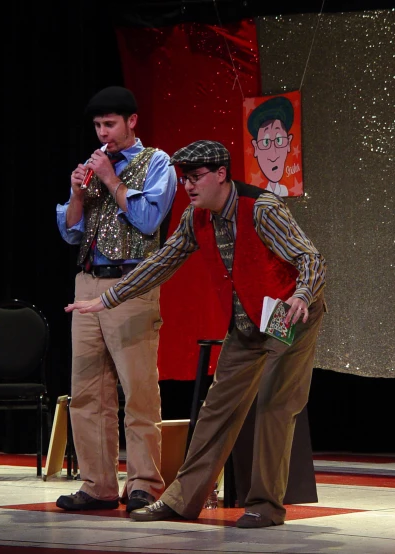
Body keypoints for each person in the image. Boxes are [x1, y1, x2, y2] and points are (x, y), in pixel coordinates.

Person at [65, 140, 326, 528]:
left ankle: (266, 506)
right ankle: (181, 500)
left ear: (222, 174)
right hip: (246, 322)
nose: (188, 185)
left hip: (288, 314)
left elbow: (309, 257)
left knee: (273, 405)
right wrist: (108, 298)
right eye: (184, 178)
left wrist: (303, 294)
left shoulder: (262, 209)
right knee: (216, 409)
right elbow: (163, 261)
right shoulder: (197, 217)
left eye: (196, 177)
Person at [55, 86, 177, 513]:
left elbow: (148, 220)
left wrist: (110, 177)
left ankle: (144, 482)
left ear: (132, 122)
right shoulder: (92, 167)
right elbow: (70, 231)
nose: (103, 133)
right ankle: (98, 484)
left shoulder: (157, 162)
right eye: (97, 126)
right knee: (87, 391)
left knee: (137, 388)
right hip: (87, 282)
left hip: (132, 283)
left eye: (110, 124)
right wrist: (76, 193)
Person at [248, 95, 294, 196]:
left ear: (288, 143)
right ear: (255, 148)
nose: (273, 154)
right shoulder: (259, 195)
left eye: (279, 140)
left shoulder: (285, 190)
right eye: (265, 142)